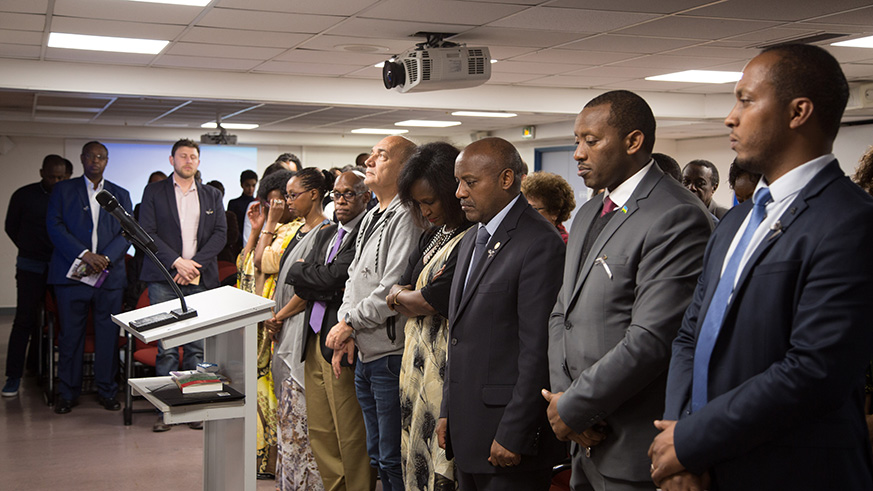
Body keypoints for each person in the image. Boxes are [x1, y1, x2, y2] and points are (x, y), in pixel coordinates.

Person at [649, 44, 873, 490]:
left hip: (791, 471)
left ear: (799, 112)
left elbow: (814, 371)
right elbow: (691, 334)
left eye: (746, 100)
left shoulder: (851, 220)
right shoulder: (736, 220)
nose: (730, 117)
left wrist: (693, 440)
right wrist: (677, 438)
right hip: (705, 464)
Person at [544, 90, 712, 491]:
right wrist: (566, 402)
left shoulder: (676, 215)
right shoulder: (588, 213)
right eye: (576, 141)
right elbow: (561, 314)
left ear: (633, 142)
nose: (578, 154)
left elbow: (652, 339)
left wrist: (576, 407)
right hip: (583, 438)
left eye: (591, 140)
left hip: (632, 443)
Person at [437, 137, 566, 491]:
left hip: (507, 435)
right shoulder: (470, 240)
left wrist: (515, 431)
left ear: (507, 179)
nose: (460, 192)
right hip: (468, 429)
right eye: (458, 182)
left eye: (470, 182)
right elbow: (459, 336)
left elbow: (537, 349)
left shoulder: (539, 242)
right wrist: (449, 410)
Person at [325, 135, 420, 491]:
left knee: (393, 457)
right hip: (368, 351)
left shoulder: (407, 216)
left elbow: (391, 290)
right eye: (371, 155)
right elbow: (353, 278)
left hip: (390, 356)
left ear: (403, 168)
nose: (370, 161)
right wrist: (347, 325)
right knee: (377, 454)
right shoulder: (372, 216)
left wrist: (350, 323)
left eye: (381, 156)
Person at [387, 142, 473, 490]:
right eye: (419, 204)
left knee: (437, 461)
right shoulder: (434, 234)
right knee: (409, 450)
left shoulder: (471, 236)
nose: (425, 211)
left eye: (430, 201)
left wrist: (405, 297)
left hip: (443, 366)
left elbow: (433, 299)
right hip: (415, 363)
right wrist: (405, 296)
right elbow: (401, 288)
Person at [286, 170, 375, 490]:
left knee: (349, 428)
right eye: (335, 194)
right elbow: (303, 279)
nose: (339, 201)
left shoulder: (367, 234)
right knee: (321, 428)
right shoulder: (326, 234)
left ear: (366, 196)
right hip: (313, 337)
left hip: (342, 341)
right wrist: (318, 278)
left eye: (348, 194)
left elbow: (334, 278)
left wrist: (314, 277)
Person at [139, 139, 227, 432]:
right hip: (165, 277)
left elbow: (220, 234)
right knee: (166, 347)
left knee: (197, 347)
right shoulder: (154, 191)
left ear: (198, 162)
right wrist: (177, 262)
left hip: (200, 276)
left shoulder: (212, 194)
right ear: (171, 159)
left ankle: (192, 406)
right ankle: (166, 409)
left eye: (193, 156)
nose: (188, 160)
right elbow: (147, 233)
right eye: (182, 156)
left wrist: (193, 265)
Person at [47, 141, 131, 414]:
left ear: (106, 161)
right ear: (82, 159)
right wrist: (84, 254)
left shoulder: (120, 193)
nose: (95, 161)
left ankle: (107, 391)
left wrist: (105, 258)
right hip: (72, 276)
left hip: (109, 276)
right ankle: (67, 393)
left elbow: (127, 231)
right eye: (91, 156)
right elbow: (54, 226)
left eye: (101, 157)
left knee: (107, 336)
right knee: (71, 337)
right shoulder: (63, 190)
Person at [265, 168, 333, 490]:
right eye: (287, 195)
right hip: (282, 323)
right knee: (286, 420)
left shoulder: (325, 231)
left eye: (294, 195)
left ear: (315, 194)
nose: (288, 201)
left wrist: (279, 316)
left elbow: (308, 290)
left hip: (298, 328)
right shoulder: (297, 230)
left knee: (299, 418)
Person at [236, 168, 301, 478]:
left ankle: (271, 461)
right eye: (270, 202)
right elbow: (244, 264)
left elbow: (263, 264)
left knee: (272, 392)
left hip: (276, 320)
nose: (276, 207)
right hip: (254, 320)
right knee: (258, 390)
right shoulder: (270, 227)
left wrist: (270, 226)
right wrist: (256, 228)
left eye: (281, 201)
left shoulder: (294, 230)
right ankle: (257, 456)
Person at [2, 155, 68, 397]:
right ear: (42, 173)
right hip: (31, 265)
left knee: (57, 320)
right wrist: (29, 247)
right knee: (24, 320)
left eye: (61, 177)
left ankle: (37, 366)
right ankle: (13, 376)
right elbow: (11, 226)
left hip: (60, 266)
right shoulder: (24, 195)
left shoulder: (68, 195)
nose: (56, 180)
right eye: (52, 176)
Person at [520, 171, 576, 243]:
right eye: (524, 208)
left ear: (554, 213)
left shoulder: (562, 244)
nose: (526, 215)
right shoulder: (526, 237)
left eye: (533, 209)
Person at [228, 169, 257, 249]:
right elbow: (233, 227)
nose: (251, 189)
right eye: (247, 185)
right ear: (242, 185)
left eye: (253, 185)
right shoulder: (234, 203)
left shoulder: (257, 204)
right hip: (237, 245)